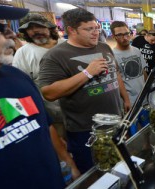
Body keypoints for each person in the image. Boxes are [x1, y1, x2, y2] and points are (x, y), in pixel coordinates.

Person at [39, 8, 130, 174]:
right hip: (86, 130)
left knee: (119, 165)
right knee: (95, 172)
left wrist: (126, 99)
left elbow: (115, 73)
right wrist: (87, 73)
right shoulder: (55, 55)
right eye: (89, 29)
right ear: (71, 30)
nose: (96, 33)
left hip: (115, 122)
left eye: (97, 28)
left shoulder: (103, 47)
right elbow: (48, 92)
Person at [0, 4, 80, 189]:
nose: (11, 35)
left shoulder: (14, 76)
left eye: (39, 27)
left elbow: (36, 123)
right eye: (0, 29)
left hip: (75, 114)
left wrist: (67, 162)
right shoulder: (22, 56)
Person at [12, 13, 66, 138]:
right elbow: (22, 87)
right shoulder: (23, 53)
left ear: (50, 27)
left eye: (39, 26)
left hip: (79, 111)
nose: (35, 31)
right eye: (30, 29)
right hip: (52, 117)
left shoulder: (67, 45)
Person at [110, 21, 148, 135]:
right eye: (120, 35)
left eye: (127, 33)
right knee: (132, 132)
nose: (125, 37)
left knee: (147, 128)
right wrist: (126, 100)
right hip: (129, 102)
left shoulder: (136, 50)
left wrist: (148, 91)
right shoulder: (112, 55)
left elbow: (143, 72)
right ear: (113, 36)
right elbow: (118, 79)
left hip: (143, 98)